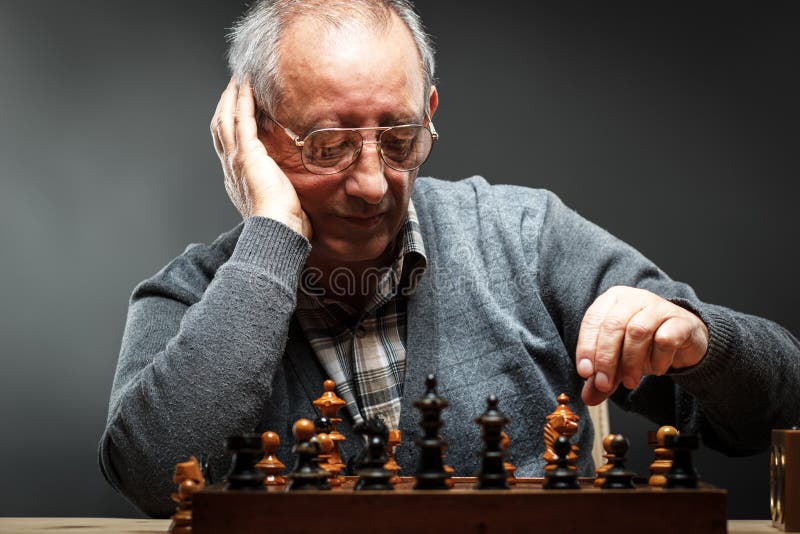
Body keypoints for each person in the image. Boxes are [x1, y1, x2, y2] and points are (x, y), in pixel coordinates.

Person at [99, 0, 800, 517]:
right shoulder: (185, 298)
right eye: (328, 144)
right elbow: (154, 477)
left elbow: (776, 406)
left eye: (399, 137)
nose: (372, 182)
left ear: (430, 111)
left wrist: (700, 343)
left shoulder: (526, 239)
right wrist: (274, 235)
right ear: (253, 137)